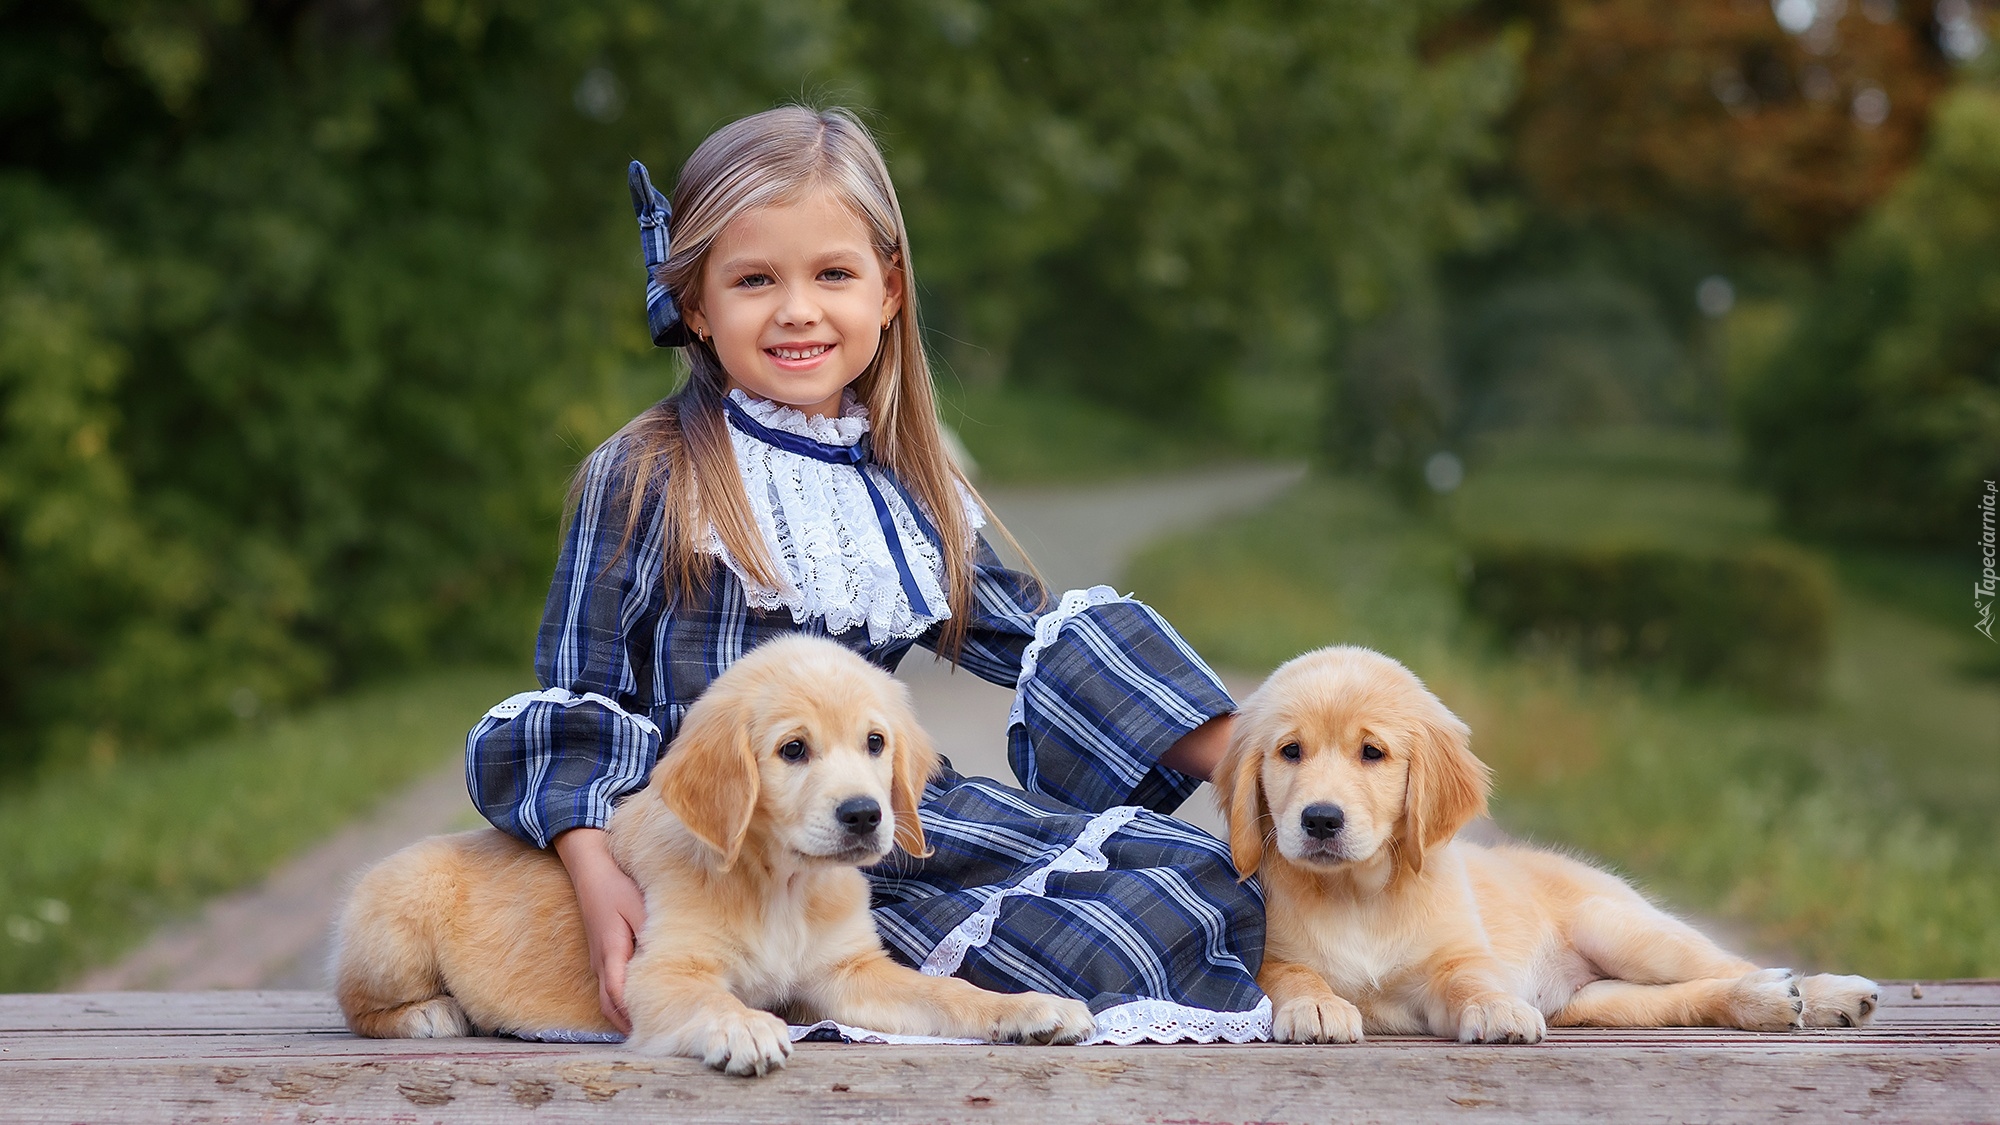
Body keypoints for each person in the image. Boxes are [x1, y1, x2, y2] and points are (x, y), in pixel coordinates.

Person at [465, 105, 1268, 1045]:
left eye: (833, 275)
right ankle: (860, 989)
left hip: (886, 827)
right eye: (755, 279)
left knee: (1194, 877)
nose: (798, 309)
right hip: (719, 847)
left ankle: (901, 977)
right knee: (1094, 955)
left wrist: (1255, 762)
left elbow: (1039, 638)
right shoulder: (649, 474)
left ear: (887, 291)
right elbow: (580, 697)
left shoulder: (905, 480)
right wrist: (598, 871)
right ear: (695, 303)